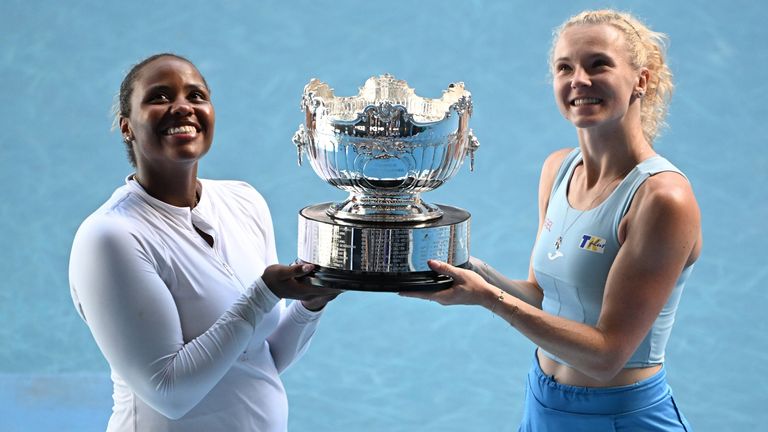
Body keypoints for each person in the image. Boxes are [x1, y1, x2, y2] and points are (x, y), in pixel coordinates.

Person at [401, 10, 701, 431]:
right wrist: (469, 269)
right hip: (542, 404)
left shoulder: (662, 198)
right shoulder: (558, 170)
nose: (579, 79)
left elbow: (606, 355)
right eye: (565, 67)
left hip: (619, 418)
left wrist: (487, 298)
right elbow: (544, 296)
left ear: (641, 81)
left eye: (599, 64)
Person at [69, 53, 340, 432]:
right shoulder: (110, 237)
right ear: (127, 127)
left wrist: (311, 304)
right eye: (160, 97)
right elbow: (169, 392)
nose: (182, 107)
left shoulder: (244, 200)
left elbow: (261, 358)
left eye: (196, 96)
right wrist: (264, 293)